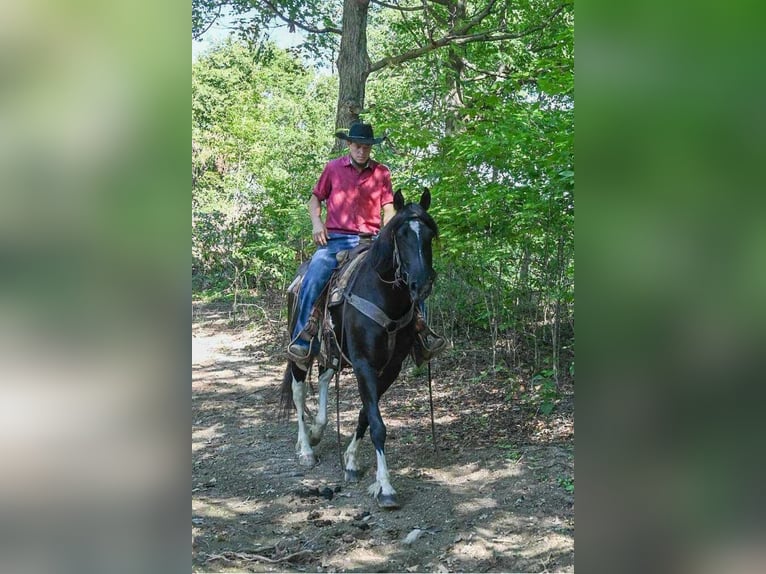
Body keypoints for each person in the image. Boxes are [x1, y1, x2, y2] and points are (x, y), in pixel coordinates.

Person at [287, 121, 446, 366]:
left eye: (367, 147)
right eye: (358, 146)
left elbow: (388, 208)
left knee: (409, 272)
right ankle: (303, 338)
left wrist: (388, 234)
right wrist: (317, 224)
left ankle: (421, 331)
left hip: (370, 241)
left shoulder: (381, 173)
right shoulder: (332, 169)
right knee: (315, 273)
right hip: (336, 241)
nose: (362, 151)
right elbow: (314, 200)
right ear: (349, 144)